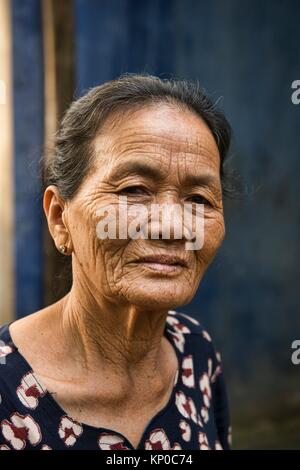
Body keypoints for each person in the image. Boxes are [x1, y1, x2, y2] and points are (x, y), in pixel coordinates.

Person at [0, 74, 232, 450]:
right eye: (134, 190)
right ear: (60, 218)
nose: (173, 226)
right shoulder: (7, 392)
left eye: (199, 199)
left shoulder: (195, 351)